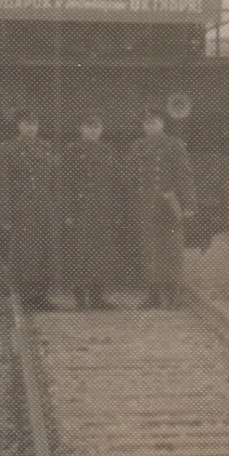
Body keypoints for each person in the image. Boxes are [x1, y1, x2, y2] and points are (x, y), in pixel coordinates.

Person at [126, 107, 195, 310]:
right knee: (150, 251)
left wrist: (189, 204)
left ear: (162, 124)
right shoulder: (138, 146)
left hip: (168, 207)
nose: (150, 126)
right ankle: (154, 295)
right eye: (146, 123)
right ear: (142, 126)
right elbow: (130, 177)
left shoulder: (173, 145)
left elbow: (184, 176)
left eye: (154, 122)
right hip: (146, 206)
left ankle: (174, 295)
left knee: (172, 250)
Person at [59, 111, 126, 310]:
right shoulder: (71, 151)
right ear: (81, 130)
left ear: (101, 130)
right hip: (80, 209)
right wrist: (68, 212)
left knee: (101, 253)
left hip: (103, 209)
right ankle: (80, 298)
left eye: (96, 128)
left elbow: (117, 183)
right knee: (80, 253)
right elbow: (65, 184)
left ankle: (97, 297)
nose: (92, 132)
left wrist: (116, 210)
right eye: (88, 128)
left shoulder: (107, 151)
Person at [0, 110, 56, 310]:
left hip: (43, 208)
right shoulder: (7, 149)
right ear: (18, 126)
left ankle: (41, 296)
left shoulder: (45, 147)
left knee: (43, 251)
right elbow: (2, 185)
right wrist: (6, 215)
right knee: (25, 253)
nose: (31, 128)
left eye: (34, 124)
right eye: (26, 124)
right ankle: (26, 297)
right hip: (22, 209)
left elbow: (53, 181)